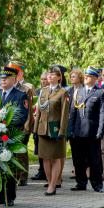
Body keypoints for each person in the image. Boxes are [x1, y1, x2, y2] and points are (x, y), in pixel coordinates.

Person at [0, 67, 28, 206]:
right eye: (1, 78)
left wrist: (3, 124)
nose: (2, 80)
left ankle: (9, 196)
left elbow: (21, 117)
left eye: (6, 78)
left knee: (9, 166)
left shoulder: (20, 95)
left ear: (14, 79)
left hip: (10, 136)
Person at [68, 66, 104, 193]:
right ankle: (81, 182)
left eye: (89, 76)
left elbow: (102, 114)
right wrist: (70, 129)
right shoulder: (78, 91)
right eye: (85, 76)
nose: (86, 78)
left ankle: (97, 185)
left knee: (94, 160)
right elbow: (73, 112)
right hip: (78, 132)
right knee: (78, 159)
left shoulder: (100, 92)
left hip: (91, 132)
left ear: (95, 78)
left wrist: (101, 130)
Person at [33, 66, 69, 196]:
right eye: (49, 74)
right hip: (43, 129)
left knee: (55, 158)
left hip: (55, 130)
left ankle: (53, 185)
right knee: (45, 158)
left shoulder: (63, 92)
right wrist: (35, 129)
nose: (50, 76)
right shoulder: (43, 91)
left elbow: (65, 114)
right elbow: (39, 112)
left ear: (59, 77)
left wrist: (62, 131)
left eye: (53, 75)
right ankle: (50, 182)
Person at [8, 61, 35, 186]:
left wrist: (28, 124)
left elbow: (29, 108)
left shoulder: (27, 88)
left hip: (22, 124)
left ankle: (23, 176)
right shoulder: (5, 86)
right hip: (9, 124)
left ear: (20, 73)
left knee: (21, 150)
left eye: (14, 71)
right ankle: (13, 174)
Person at [31, 72, 50, 181]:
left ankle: (47, 171)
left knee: (47, 149)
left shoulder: (52, 91)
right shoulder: (38, 92)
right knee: (38, 147)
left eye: (45, 79)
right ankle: (41, 170)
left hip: (47, 124)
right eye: (42, 79)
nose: (43, 81)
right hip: (37, 124)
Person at [67, 69, 84, 180]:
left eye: (74, 76)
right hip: (71, 123)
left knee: (81, 150)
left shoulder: (84, 90)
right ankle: (76, 171)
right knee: (74, 150)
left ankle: (83, 173)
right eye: (71, 76)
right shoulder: (69, 91)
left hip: (81, 123)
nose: (72, 78)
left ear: (80, 78)